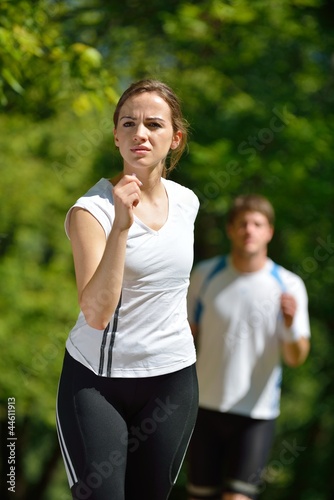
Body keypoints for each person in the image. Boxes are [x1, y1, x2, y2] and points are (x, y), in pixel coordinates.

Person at [56, 79, 200, 500]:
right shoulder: (92, 211)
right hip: (97, 385)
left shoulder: (188, 202)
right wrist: (121, 225)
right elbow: (97, 313)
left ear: (175, 139)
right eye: (129, 123)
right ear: (116, 136)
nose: (140, 133)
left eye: (154, 124)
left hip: (173, 383)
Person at [186, 194, 310, 500]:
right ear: (230, 229)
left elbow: (296, 358)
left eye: (257, 224)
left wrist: (292, 323)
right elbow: (184, 338)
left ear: (269, 231)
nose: (249, 230)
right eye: (242, 223)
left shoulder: (288, 285)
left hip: (256, 413)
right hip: (204, 407)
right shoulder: (204, 275)